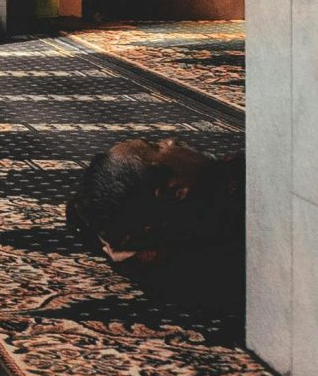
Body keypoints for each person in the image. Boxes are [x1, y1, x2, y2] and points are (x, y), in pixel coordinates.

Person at [66, 137, 246, 323]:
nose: (171, 141)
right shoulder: (242, 197)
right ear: (174, 189)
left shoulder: (166, 241)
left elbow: (77, 212)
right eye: (157, 147)